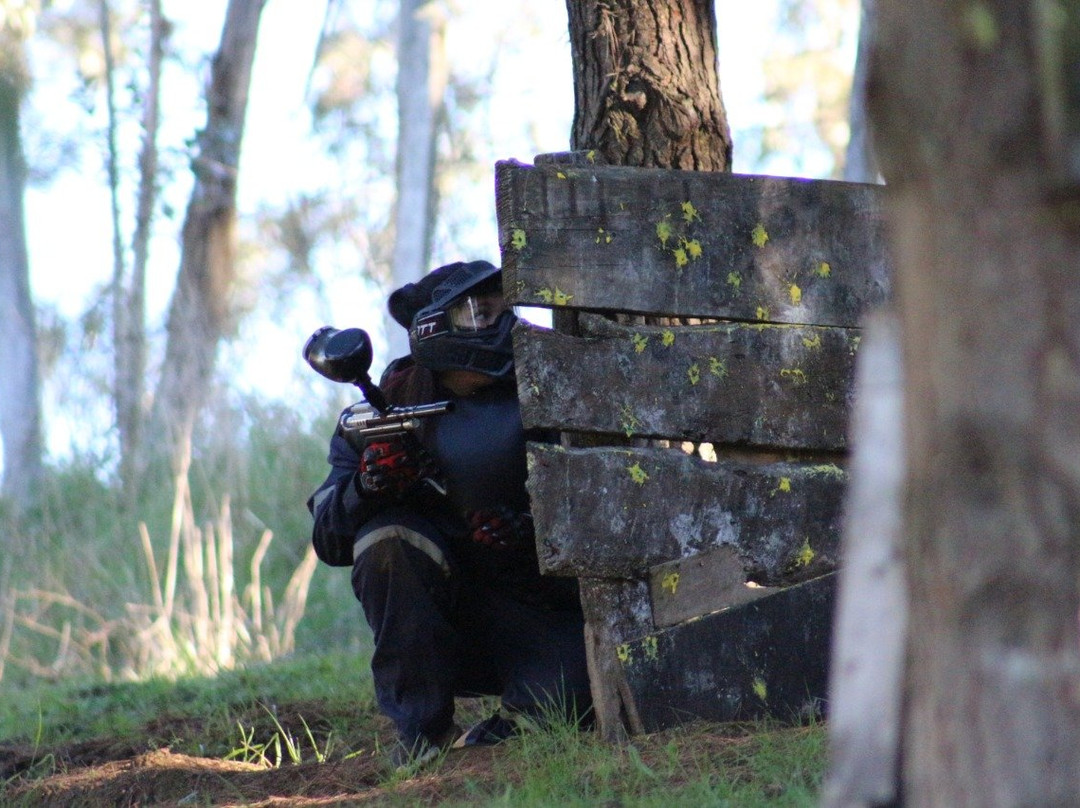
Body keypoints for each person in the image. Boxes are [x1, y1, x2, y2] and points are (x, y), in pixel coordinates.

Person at [307, 260, 592, 770]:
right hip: (437, 628)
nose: (490, 317)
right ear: (433, 328)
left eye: (495, 303)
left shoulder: (555, 393)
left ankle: (508, 726)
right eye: (472, 310)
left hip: (536, 614)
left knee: (567, 699)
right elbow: (328, 540)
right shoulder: (384, 412)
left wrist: (529, 535)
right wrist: (369, 487)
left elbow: (602, 515)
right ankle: (421, 734)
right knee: (385, 538)